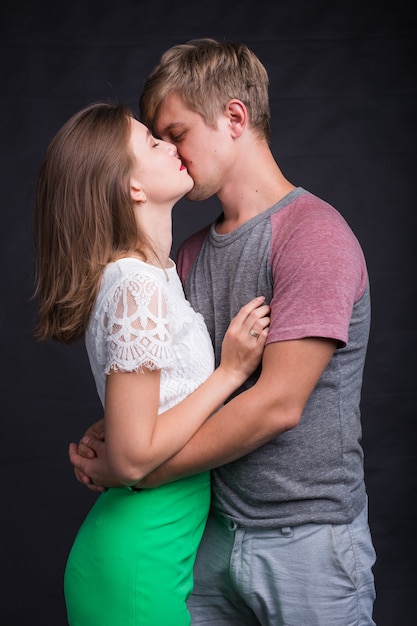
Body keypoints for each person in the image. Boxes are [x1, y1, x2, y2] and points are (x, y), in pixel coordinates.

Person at [70, 39, 377, 625]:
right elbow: (174, 385)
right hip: (206, 539)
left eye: (176, 131)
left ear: (234, 118)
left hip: (306, 541)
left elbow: (276, 404)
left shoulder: (313, 235)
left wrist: (133, 469)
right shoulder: (182, 257)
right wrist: (112, 432)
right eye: (157, 138)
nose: (172, 151)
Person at [33, 100, 270, 626]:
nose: (171, 144)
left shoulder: (149, 276)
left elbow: (140, 428)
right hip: (136, 562)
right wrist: (230, 373)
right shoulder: (135, 284)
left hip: (148, 550)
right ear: (132, 188)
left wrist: (111, 442)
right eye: (151, 142)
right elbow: (136, 457)